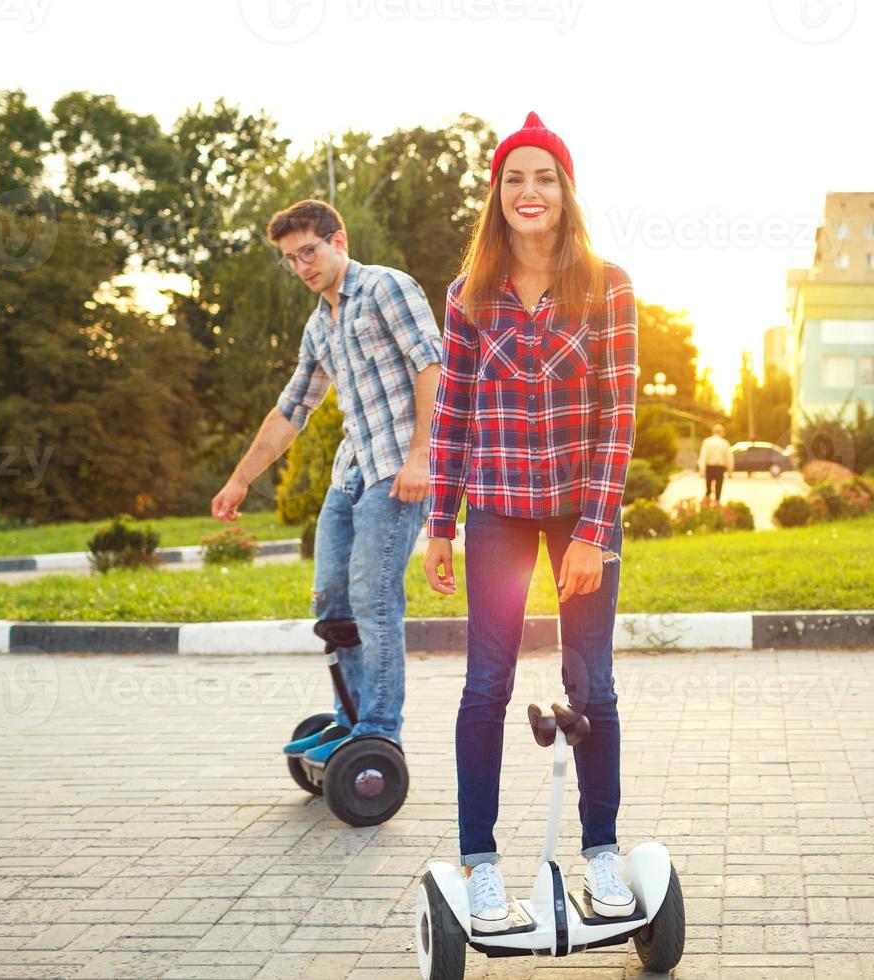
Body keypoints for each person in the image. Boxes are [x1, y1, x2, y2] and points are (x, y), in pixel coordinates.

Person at [423, 112, 639, 933]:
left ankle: (603, 853)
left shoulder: (607, 285)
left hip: (582, 513)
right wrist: (440, 521)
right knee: (487, 683)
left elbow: (619, 418)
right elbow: (453, 414)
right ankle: (481, 863)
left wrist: (594, 531)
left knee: (594, 683)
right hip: (499, 512)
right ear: (497, 196)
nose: (530, 191)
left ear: (566, 190)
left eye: (544, 177)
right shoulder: (468, 295)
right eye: (515, 178)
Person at [211, 199, 441, 765]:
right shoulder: (320, 324)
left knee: (372, 598)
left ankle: (380, 730)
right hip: (352, 473)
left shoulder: (388, 288)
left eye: (308, 251)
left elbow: (434, 367)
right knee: (332, 602)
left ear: (338, 240)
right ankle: (349, 720)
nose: (302, 266)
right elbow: (292, 409)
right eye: (290, 259)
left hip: (397, 472)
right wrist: (240, 480)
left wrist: (422, 457)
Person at [697, 423, 735, 502]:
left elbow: (703, 457)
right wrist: (730, 471)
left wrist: (702, 470)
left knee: (708, 489)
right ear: (722, 432)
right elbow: (729, 459)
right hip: (719, 469)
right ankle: (717, 506)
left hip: (709, 468)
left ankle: (706, 506)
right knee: (718, 490)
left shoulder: (707, 442)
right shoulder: (724, 443)